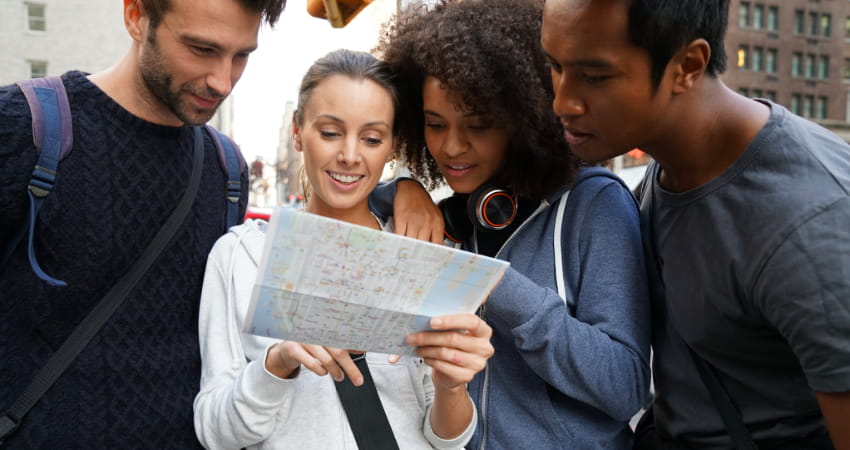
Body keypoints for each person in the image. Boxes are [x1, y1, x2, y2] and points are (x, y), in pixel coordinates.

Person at [0, 0, 440, 447]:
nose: (223, 80)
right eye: (202, 49)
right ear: (135, 15)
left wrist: (399, 189)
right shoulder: (22, 127)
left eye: (242, 55)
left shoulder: (223, 168)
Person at [540, 1, 850, 448]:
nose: (562, 101)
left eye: (594, 76)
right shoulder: (665, 169)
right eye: (554, 65)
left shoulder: (808, 223)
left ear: (686, 65)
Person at [375, 0, 652, 448]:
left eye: (479, 125)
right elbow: (349, 191)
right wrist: (402, 186)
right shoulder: (454, 212)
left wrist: (495, 285)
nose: (452, 147)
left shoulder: (595, 203)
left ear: (524, 118)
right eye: (434, 124)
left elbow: (624, 386)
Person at [193, 48, 493, 449]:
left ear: (391, 148)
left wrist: (451, 387)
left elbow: (447, 441)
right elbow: (215, 433)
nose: (350, 156)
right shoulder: (240, 257)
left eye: (371, 138)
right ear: (298, 132)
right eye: (330, 132)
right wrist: (277, 363)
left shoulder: (418, 253)